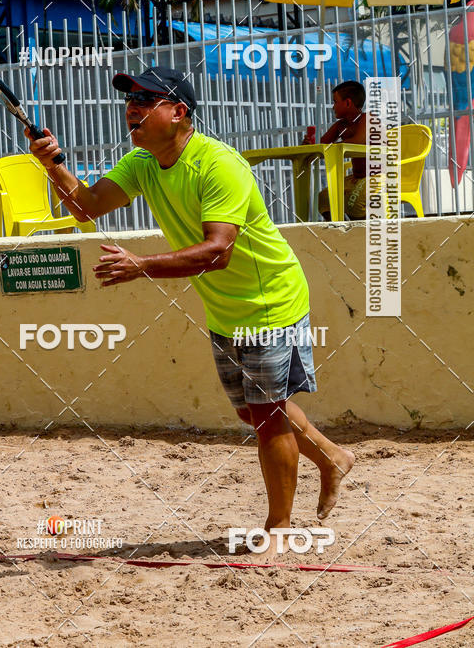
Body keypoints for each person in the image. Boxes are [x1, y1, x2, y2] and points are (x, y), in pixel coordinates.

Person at [26, 66, 355, 559]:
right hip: (224, 307)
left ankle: (280, 528)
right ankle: (332, 456)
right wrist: (53, 165)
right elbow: (88, 206)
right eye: (130, 101)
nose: (132, 108)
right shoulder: (141, 162)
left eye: (145, 100)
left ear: (179, 112)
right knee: (253, 412)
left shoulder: (217, 164)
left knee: (267, 417)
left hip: (270, 301)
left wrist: (141, 266)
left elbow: (217, 250)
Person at [303, 80, 371, 221]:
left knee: (354, 203)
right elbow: (322, 147)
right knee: (323, 198)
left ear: (347, 103)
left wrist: (328, 147)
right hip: (356, 178)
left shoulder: (368, 119)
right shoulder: (341, 125)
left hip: (377, 177)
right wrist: (309, 145)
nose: (333, 107)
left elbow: (358, 142)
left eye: (335, 102)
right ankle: (339, 229)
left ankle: (361, 232)